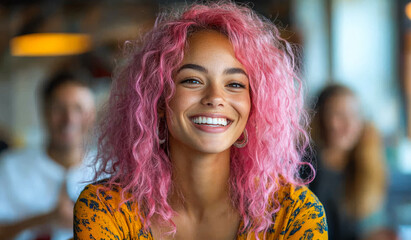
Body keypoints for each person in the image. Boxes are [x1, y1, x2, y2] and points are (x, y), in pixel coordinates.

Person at [74, 2, 328, 240]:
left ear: (254, 105)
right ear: (158, 100)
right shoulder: (105, 209)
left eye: (235, 84)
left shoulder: (294, 213)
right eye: (192, 80)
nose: (216, 98)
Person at [0, 72, 96, 240]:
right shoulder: (10, 168)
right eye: (59, 108)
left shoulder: (109, 171)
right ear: (44, 112)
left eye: (78, 108)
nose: (69, 119)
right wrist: (45, 219)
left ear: (92, 114)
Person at [309, 84, 389, 240]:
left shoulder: (369, 168)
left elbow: (377, 225)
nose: (348, 124)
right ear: (319, 118)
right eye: (338, 114)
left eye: (354, 115)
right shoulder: (304, 168)